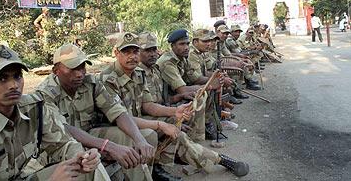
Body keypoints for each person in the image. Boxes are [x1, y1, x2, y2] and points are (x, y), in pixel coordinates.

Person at [34, 43, 156, 181]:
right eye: (73, 68)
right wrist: (108, 146)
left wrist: (139, 139)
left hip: (90, 136)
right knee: (87, 159)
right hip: (62, 146)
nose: (79, 74)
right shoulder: (44, 94)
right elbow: (64, 129)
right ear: (56, 70)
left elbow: (118, 111)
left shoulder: (91, 83)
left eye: (82, 67)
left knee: (131, 137)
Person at [0, 44, 102, 180]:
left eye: (17, 76)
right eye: (1, 78)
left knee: (82, 168)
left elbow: (62, 144)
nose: (13, 85)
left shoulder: (34, 108)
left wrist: (82, 157)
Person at [137, 32, 249, 177]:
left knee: (194, 103)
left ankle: (193, 146)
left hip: (158, 110)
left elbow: (162, 99)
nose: (153, 54)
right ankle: (220, 160)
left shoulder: (154, 70)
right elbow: (146, 107)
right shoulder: (151, 68)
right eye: (147, 50)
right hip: (143, 118)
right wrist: (172, 113)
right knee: (179, 133)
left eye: (154, 49)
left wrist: (176, 101)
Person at [98, 32, 187, 180]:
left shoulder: (138, 73)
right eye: (126, 52)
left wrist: (175, 111)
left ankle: (155, 168)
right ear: (116, 53)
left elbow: (148, 105)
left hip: (135, 120)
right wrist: (158, 124)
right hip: (114, 125)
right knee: (150, 133)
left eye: (135, 52)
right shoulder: (107, 79)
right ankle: (142, 175)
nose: (132, 57)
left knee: (172, 122)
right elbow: (122, 117)